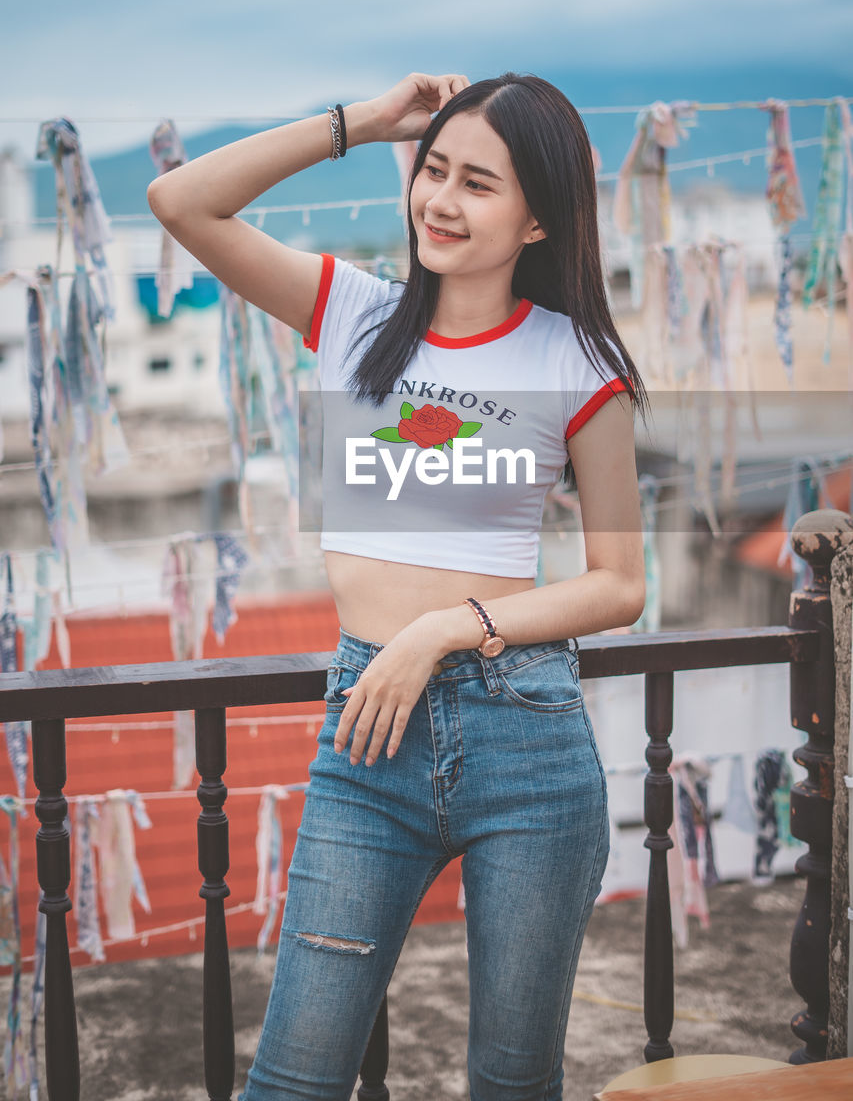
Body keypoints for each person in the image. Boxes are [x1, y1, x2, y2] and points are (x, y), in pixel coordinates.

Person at [148, 71, 648, 1100]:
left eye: (478, 184)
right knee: (294, 1078)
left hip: (525, 735)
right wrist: (363, 122)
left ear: (540, 217)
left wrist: (442, 631)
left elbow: (617, 583)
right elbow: (182, 202)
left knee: (513, 1080)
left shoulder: (574, 356)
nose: (441, 200)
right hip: (368, 738)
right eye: (433, 170)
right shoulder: (350, 312)